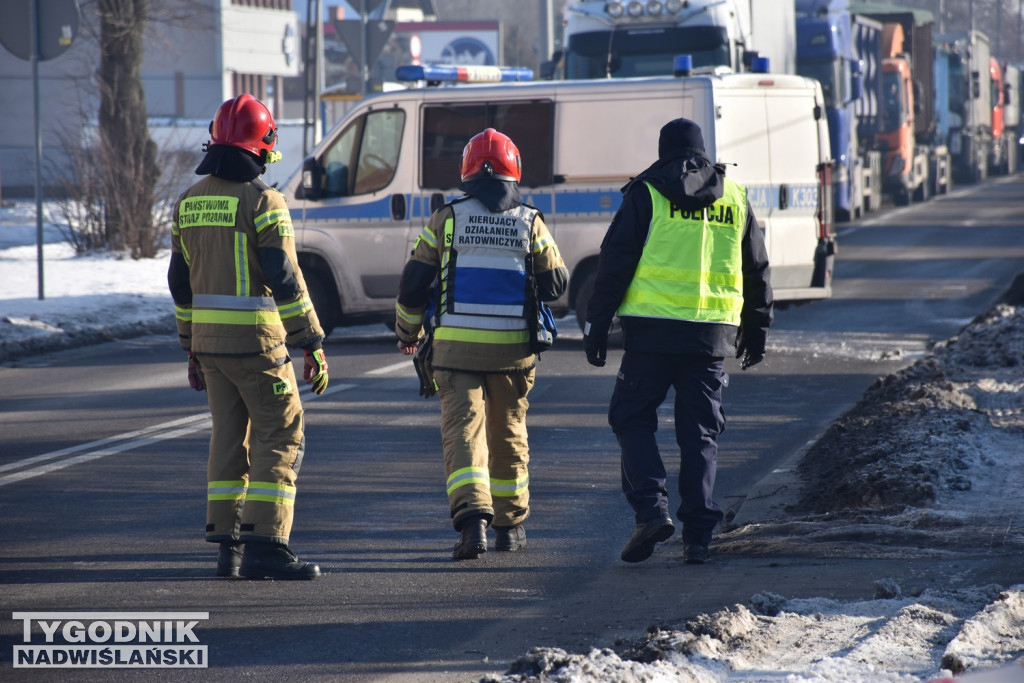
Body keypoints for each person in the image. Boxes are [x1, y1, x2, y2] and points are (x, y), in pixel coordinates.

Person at [583, 117, 773, 565]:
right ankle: (699, 536)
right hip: (710, 336)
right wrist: (757, 329)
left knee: (631, 417)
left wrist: (597, 324)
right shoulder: (736, 196)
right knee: (700, 434)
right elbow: (757, 271)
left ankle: (651, 510)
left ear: (663, 151)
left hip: (650, 333)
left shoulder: (646, 193)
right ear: (704, 151)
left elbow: (614, 264)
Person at [167, 94, 330, 580]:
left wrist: (190, 345)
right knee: (281, 435)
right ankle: (267, 545)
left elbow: (180, 281)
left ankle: (229, 546)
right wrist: (312, 342)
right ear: (260, 147)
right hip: (259, 347)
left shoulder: (188, 201)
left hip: (211, 348)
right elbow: (284, 277)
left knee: (228, 439)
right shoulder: (265, 201)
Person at [394, 128, 568, 560]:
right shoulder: (531, 220)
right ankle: (510, 528)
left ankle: (473, 526)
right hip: (513, 352)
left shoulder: (446, 218)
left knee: (464, 433)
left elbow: (414, 284)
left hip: (455, 352)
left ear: (467, 173)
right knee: (508, 433)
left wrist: (408, 333)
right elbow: (556, 284)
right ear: (515, 173)